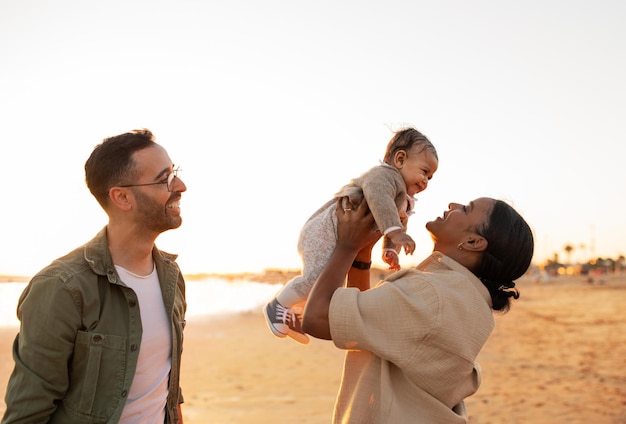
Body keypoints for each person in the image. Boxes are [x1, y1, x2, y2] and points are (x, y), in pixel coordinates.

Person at [2, 129, 188, 423]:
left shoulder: (171, 276)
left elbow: (166, 387)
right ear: (123, 197)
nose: (181, 185)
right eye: (164, 177)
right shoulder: (62, 287)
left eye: (175, 172)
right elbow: (28, 413)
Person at [302, 197, 534, 423]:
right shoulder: (470, 301)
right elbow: (365, 325)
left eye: (465, 208)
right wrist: (361, 257)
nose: (453, 205)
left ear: (474, 242)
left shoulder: (431, 292)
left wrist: (347, 245)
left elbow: (318, 317)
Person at [264, 127, 439, 344]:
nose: (426, 181)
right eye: (424, 172)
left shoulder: (404, 198)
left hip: (342, 235)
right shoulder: (385, 176)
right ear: (400, 159)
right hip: (325, 229)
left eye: (430, 177)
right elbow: (379, 200)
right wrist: (394, 233)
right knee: (317, 279)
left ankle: (294, 313)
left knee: (329, 283)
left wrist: (390, 249)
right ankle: (277, 306)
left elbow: (395, 220)